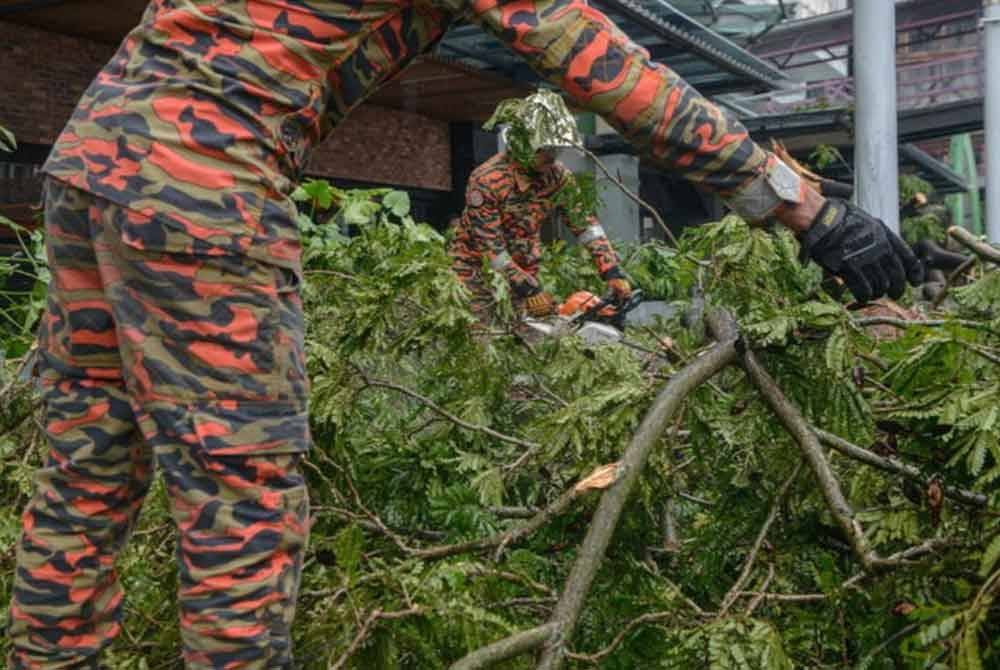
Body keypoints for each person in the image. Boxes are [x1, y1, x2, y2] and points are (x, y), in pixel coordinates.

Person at [8, 0, 923, 667]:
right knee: (236, 486)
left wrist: (604, 288)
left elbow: (586, 231)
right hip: (201, 180)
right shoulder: (491, 182)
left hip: (91, 159)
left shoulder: (550, 184)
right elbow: (602, 66)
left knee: (88, 460)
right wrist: (803, 208)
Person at [450, 92, 631, 322]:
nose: (551, 157)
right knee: (483, 338)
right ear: (523, 144)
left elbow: (585, 225)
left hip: (525, 271)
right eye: (545, 150)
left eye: (555, 150)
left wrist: (610, 270)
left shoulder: (558, 177)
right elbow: (490, 249)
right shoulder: (487, 180)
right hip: (476, 273)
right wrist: (528, 289)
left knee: (531, 338)